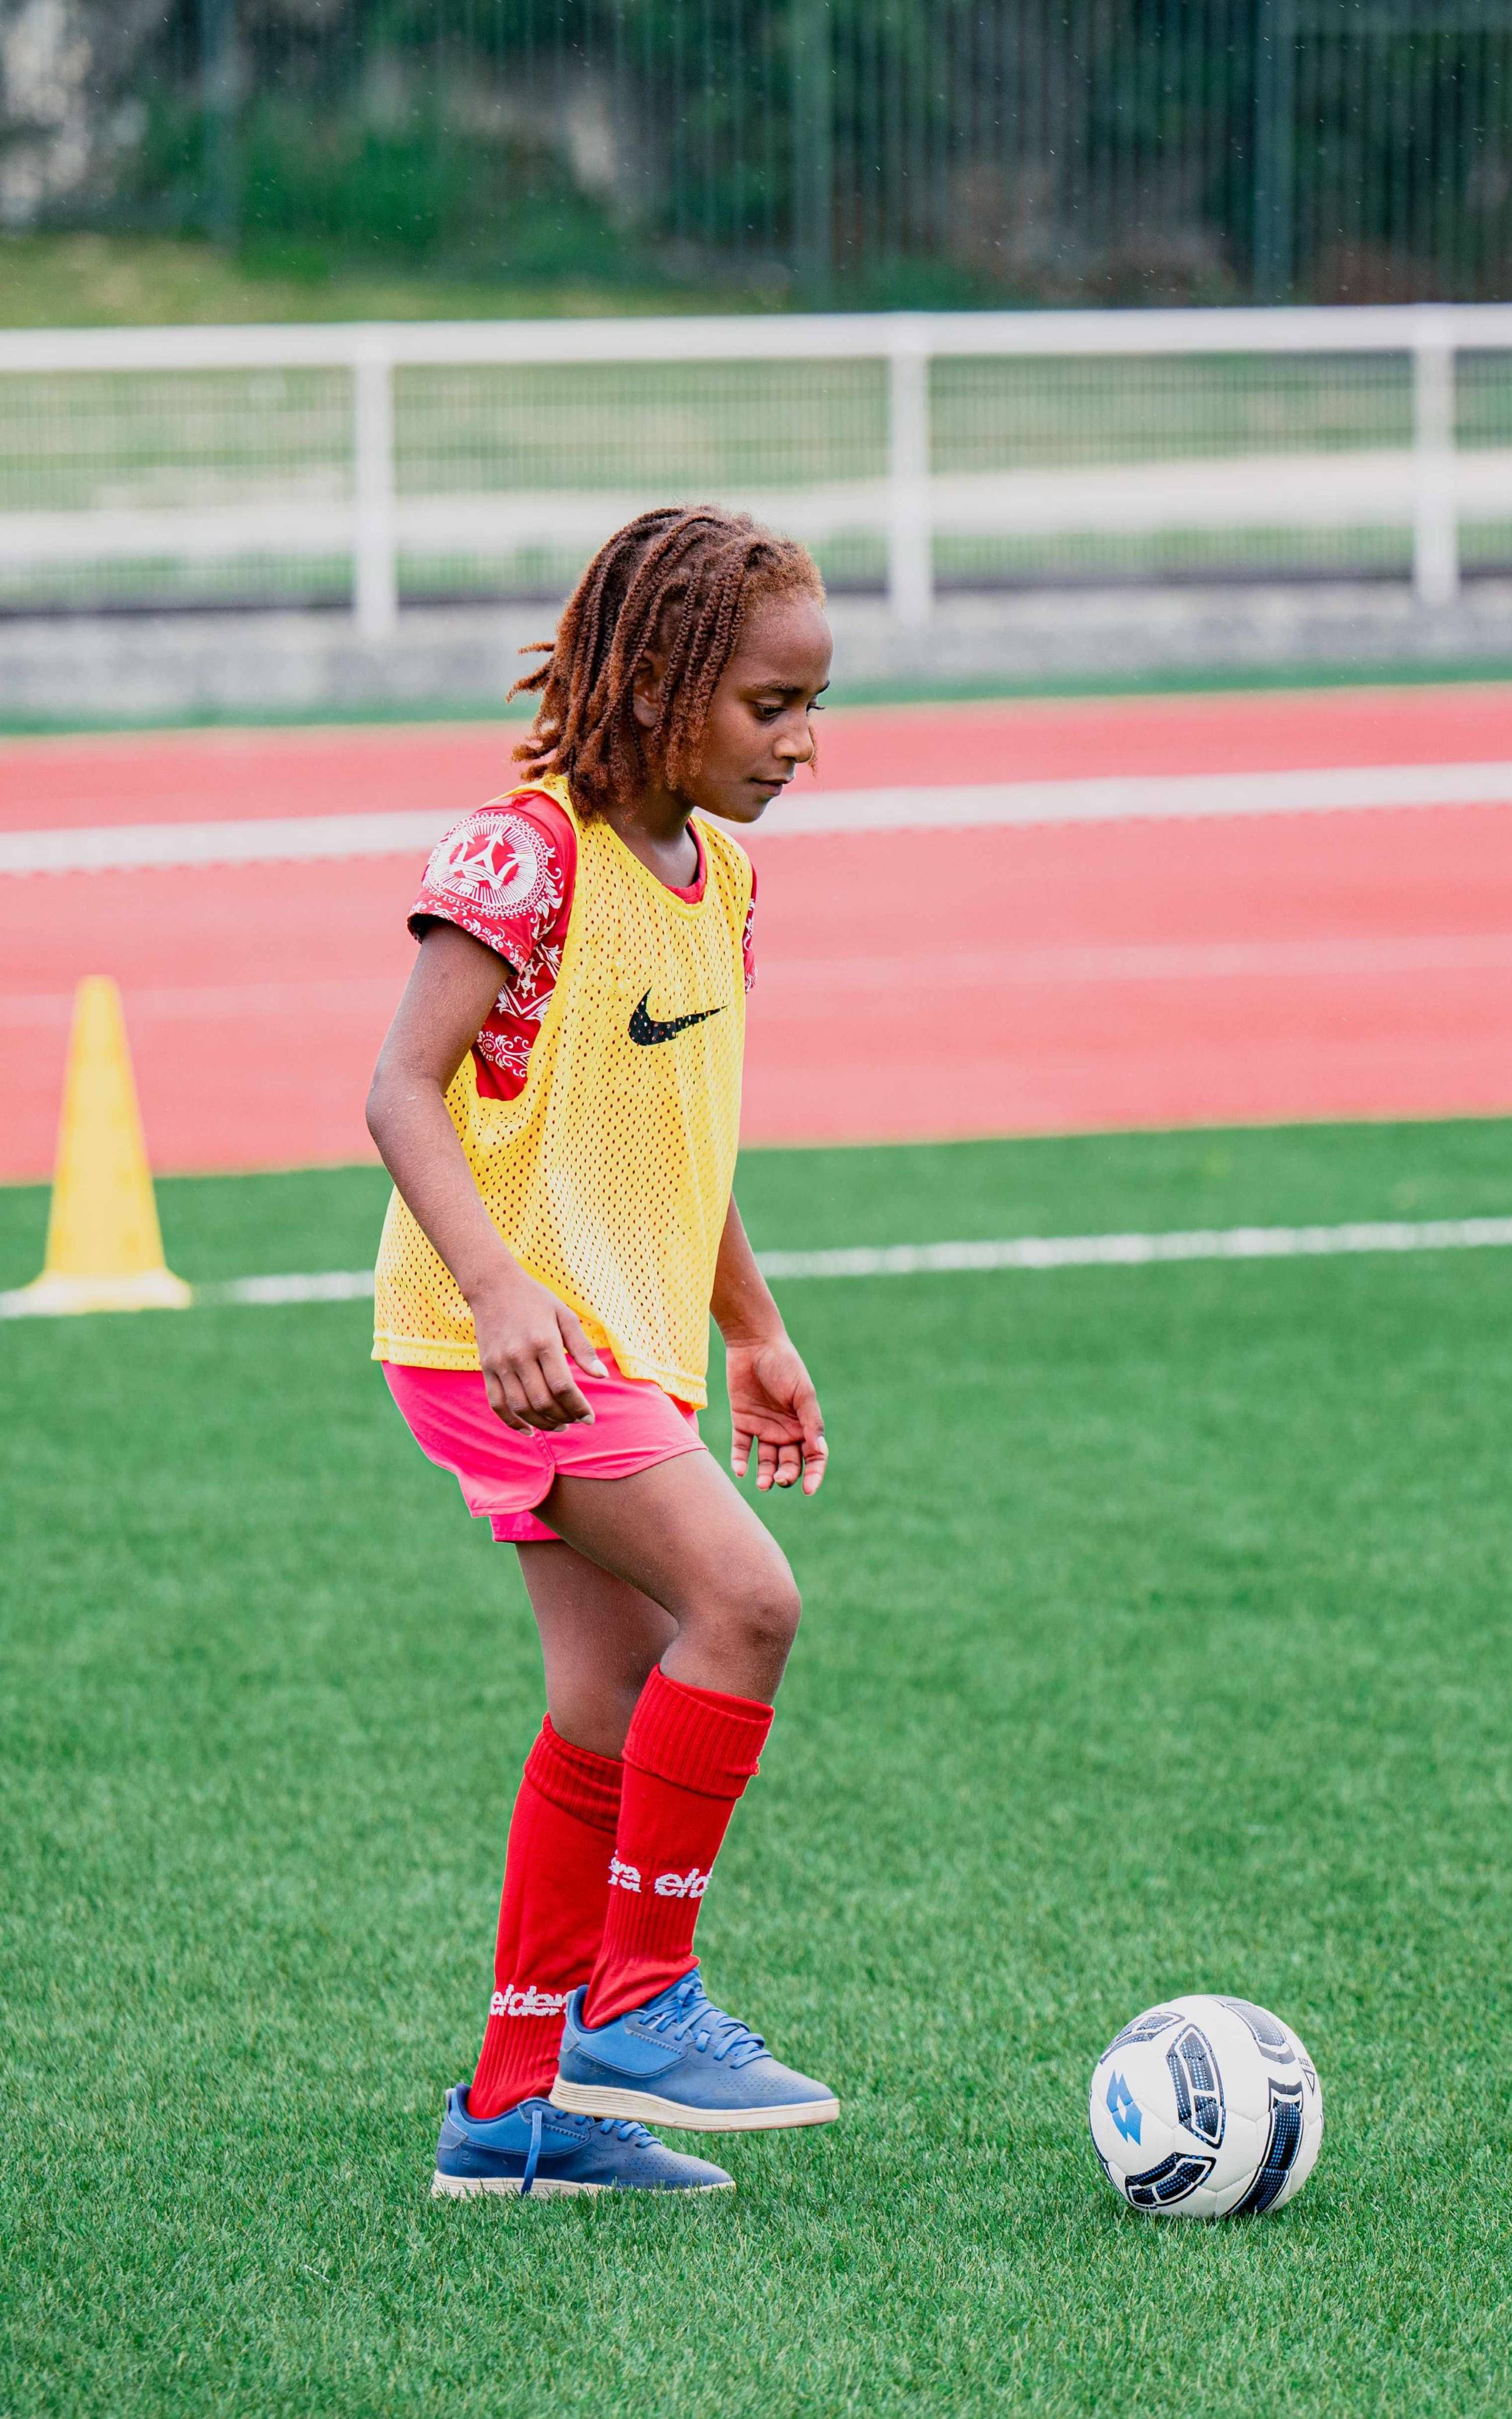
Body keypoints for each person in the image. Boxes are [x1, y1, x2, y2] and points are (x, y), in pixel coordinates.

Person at [367, 505, 841, 2198]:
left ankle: (511, 2116)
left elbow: (681, 1132)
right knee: (750, 1603)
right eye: (767, 705)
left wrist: (757, 1328)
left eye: (812, 704)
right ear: (656, 683)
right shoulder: (523, 853)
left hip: (628, 1349)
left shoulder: (724, 879)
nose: (800, 743)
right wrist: (497, 1289)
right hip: (494, 1342)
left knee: (604, 1694)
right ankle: (634, 2002)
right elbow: (398, 1090)